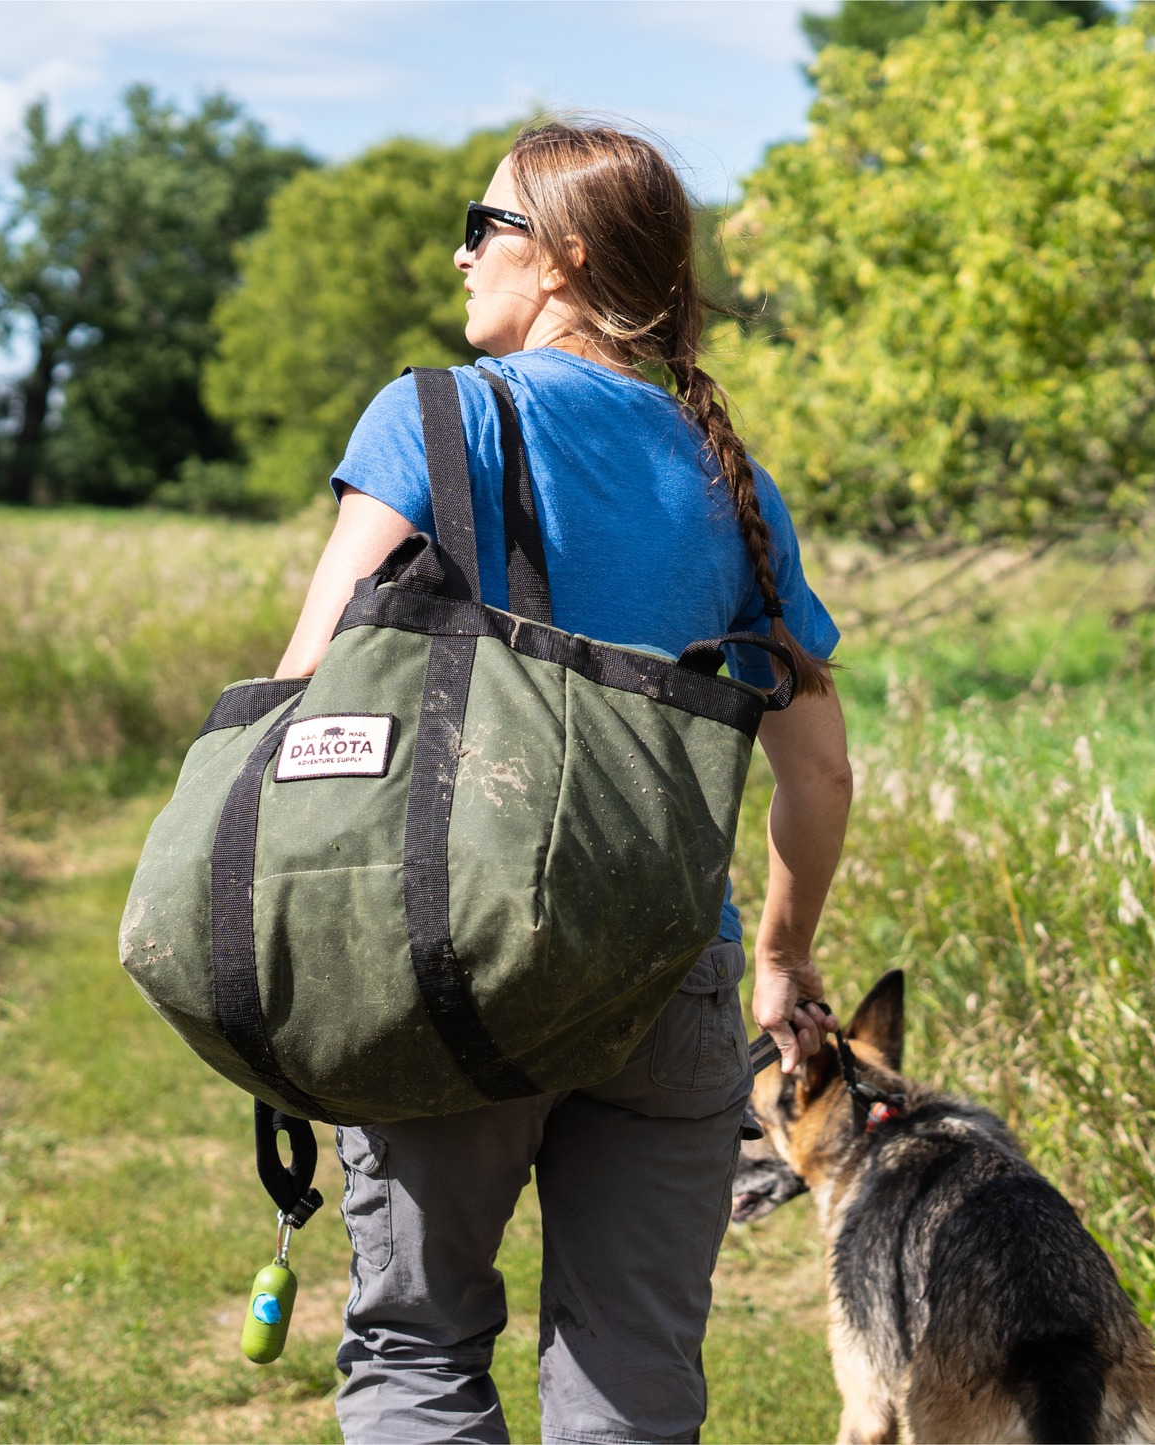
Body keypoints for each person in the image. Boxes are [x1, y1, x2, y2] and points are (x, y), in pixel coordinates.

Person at [273, 121, 853, 1445]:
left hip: (452, 956)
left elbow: (306, 688)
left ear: (564, 257)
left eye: (483, 228)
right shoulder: (732, 480)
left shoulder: (436, 418)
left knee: (420, 1350)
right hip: (669, 974)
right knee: (634, 1370)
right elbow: (818, 770)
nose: (460, 254)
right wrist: (780, 955)